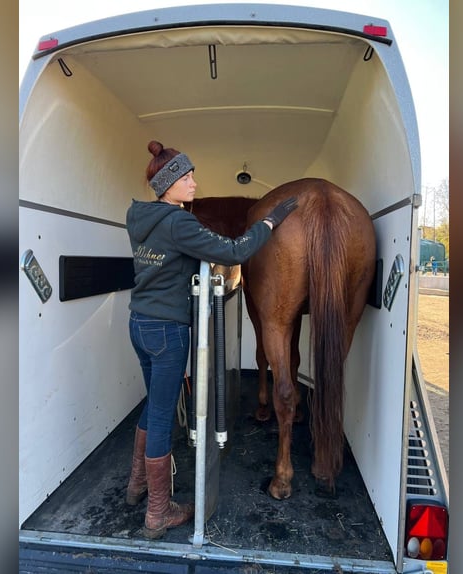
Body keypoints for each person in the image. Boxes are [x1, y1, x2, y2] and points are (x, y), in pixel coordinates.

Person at [124, 140, 298, 539]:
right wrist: (268, 224)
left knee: (154, 404)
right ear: (168, 185)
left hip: (139, 324)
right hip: (168, 331)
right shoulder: (178, 223)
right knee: (165, 414)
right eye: (186, 178)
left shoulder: (139, 218)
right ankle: (158, 512)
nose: (194, 183)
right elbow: (235, 251)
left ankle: (136, 486)